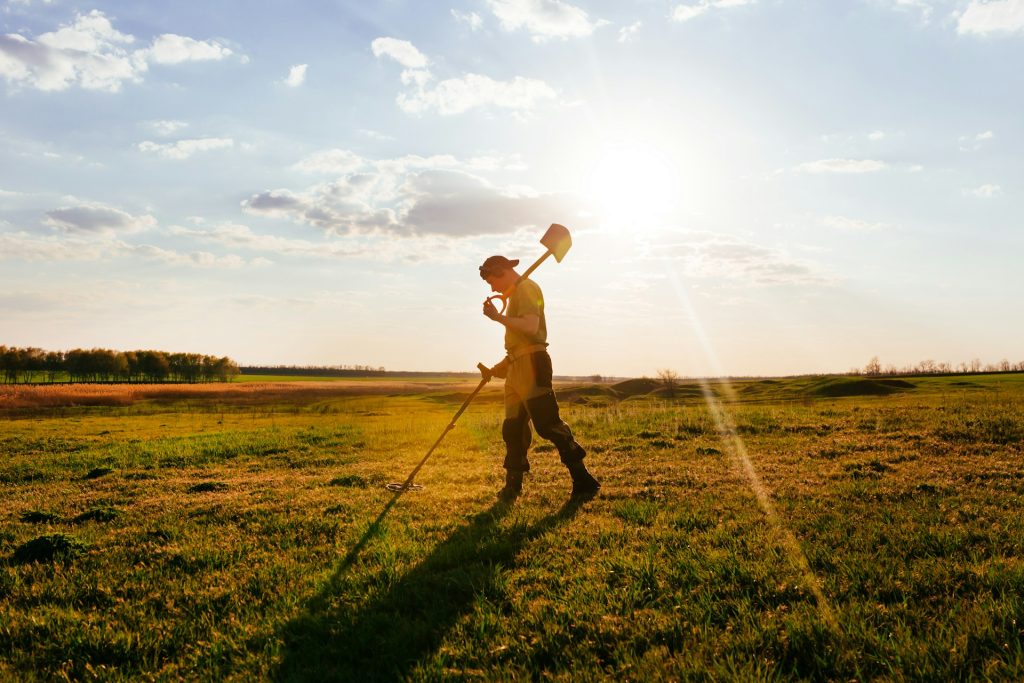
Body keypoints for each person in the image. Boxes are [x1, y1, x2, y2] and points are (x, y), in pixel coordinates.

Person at [479, 254, 600, 501]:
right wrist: (503, 365)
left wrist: (497, 318)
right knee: (512, 429)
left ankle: (584, 480)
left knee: (547, 425)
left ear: (501, 270)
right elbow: (519, 340)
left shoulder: (527, 288)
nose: (492, 288)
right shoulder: (515, 294)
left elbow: (531, 328)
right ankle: (512, 487)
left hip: (533, 365)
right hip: (516, 365)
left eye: (492, 280)